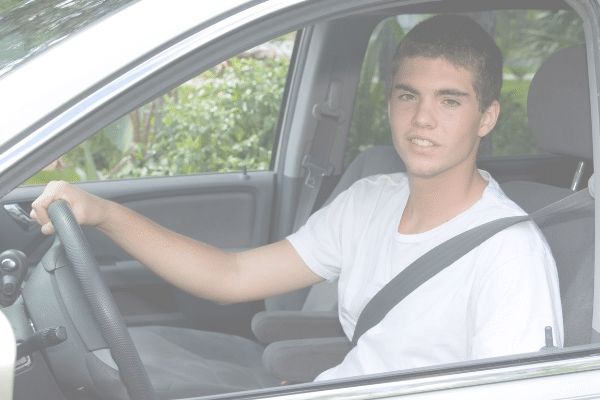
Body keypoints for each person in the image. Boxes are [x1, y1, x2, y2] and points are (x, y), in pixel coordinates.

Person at [30, 14, 563, 381]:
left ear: (486, 117)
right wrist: (101, 213)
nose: (423, 119)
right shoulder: (371, 201)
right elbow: (232, 277)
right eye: (408, 95)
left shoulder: (509, 256)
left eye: (450, 100)